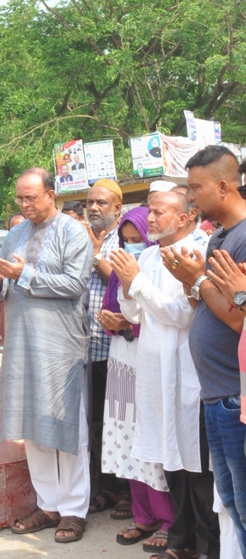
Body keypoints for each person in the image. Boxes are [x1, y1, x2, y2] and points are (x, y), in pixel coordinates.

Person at [0, 168, 93, 544]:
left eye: (31, 197)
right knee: (33, 424)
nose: (24, 205)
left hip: (60, 345)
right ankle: (48, 504)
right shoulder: (14, 233)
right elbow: (3, 289)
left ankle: (75, 509)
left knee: (67, 426)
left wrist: (24, 273)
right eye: (20, 199)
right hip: (21, 341)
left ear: (51, 195)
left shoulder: (72, 232)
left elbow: (75, 283)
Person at [112, 186, 218, 559]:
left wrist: (137, 282)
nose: (151, 219)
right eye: (150, 212)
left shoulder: (198, 252)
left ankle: (207, 547)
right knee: (170, 461)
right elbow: (136, 314)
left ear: (184, 217)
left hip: (187, 373)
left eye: (159, 212)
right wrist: (129, 284)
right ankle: (181, 540)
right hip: (155, 372)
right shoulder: (153, 255)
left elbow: (182, 314)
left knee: (198, 469)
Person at [160, 145, 246, 556]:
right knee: (227, 502)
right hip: (214, 393)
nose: (191, 197)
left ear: (225, 186)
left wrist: (198, 282)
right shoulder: (218, 236)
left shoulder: (245, 237)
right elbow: (208, 305)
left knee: (242, 505)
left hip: (235, 393)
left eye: (196, 187)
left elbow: (238, 317)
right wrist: (188, 280)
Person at [97, 205, 178, 549]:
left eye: (136, 240)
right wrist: (119, 321)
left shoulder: (160, 264)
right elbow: (127, 305)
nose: (130, 247)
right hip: (122, 359)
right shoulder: (125, 270)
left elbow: (163, 314)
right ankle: (143, 515)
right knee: (127, 439)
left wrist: (128, 325)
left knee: (152, 442)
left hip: (148, 360)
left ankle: (168, 519)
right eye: (125, 240)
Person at [83, 177, 127, 514]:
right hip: (85, 347)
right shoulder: (79, 237)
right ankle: (106, 487)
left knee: (120, 421)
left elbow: (118, 281)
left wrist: (95, 252)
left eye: (102, 203)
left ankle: (124, 491)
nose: (94, 208)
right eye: (90, 203)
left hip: (117, 348)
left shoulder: (124, 239)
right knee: (96, 422)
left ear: (118, 208)